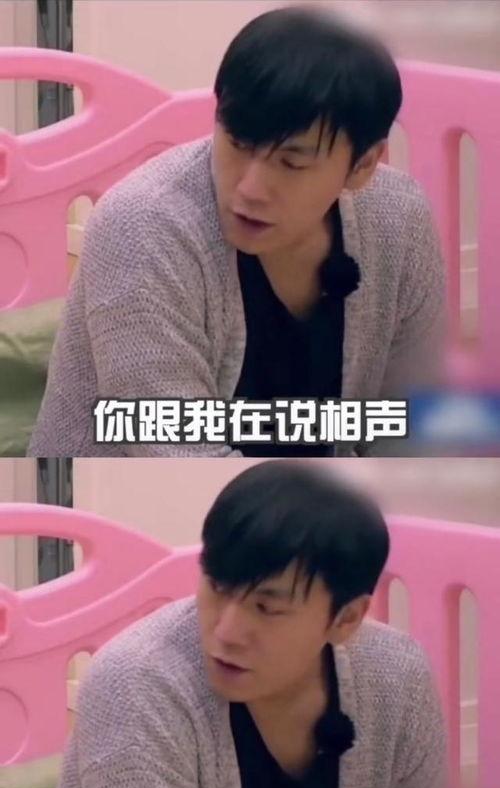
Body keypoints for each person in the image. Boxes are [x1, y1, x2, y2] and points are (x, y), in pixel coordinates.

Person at [28, 5, 445, 459]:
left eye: (291, 163)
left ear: (363, 165)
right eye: (236, 144)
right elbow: (176, 456)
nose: (249, 189)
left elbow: (410, 425)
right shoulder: (140, 229)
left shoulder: (398, 222)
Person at [28, 461, 447, 788]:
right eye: (217, 587)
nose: (226, 632)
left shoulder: (397, 680)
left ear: (346, 619)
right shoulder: (134, 685)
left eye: (267, 608)